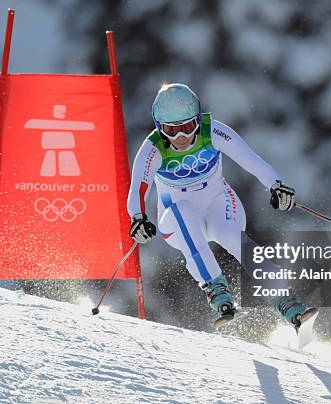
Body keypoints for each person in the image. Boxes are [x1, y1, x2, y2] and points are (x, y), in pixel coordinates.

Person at [126, 83, 313, 329]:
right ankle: (216, 288)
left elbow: (251, 160)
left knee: (230, 235)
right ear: (160, 128)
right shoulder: (154, 148)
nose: (181, 137)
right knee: (184, 212)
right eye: (172, 130)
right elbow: (138, 188)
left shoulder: (211, 131)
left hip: (218, 203)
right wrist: (138, 218)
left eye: (187, 127)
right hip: (176, 219)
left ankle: (288, 304)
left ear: (197, 120)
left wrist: (276, 185)